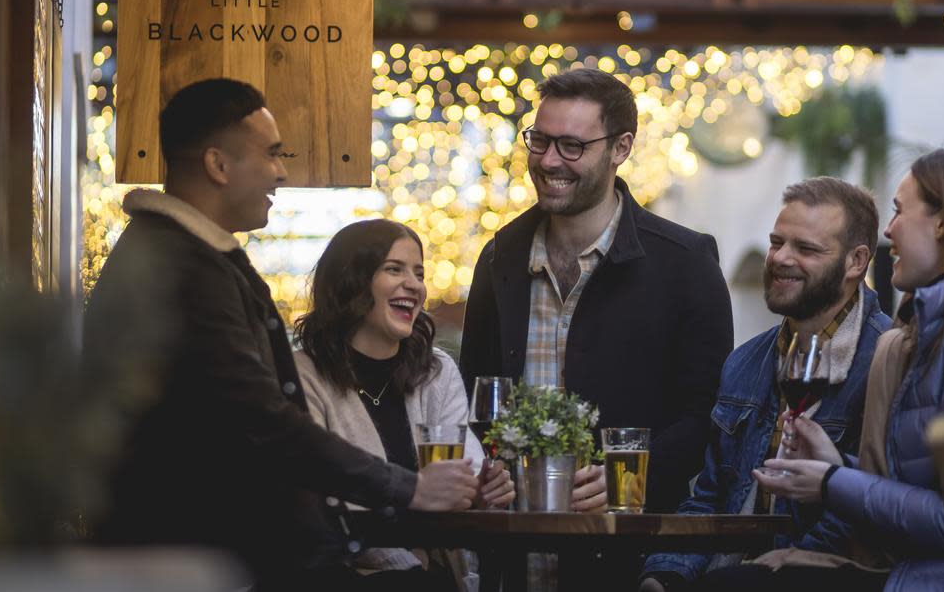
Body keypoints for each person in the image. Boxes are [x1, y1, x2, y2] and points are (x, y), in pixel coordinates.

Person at [81, 79, 476, 588]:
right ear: (218, 165)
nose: (282, 171)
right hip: (191, 562)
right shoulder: (184, 268)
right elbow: (260, 422)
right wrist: (407, 488)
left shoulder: (183, 255)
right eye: (271, 154)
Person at [706, 148, 944, 592]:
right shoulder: (938, 332)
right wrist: (836, 464)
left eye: (901, 211)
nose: (890, 228)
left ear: (943, 223)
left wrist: (833, 482)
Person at [460, 67, 733, 515]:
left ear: (620, 148)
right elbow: (475, 391)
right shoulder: (499, 257)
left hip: (628, 547)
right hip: (511, 543)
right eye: (540, 141)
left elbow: (705, 412)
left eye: (572, 146)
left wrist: (630, 475)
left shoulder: (686, 262)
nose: (549, 161)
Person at [640, 177, 893, 591]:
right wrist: (666, 573)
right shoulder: (745, 362)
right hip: (729, 571)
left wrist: (771, 570)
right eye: (778, 243)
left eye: (806, 249)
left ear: (856, 261)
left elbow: (866, 510)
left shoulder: (887, 360)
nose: (781, 258)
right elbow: (709, 499)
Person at [294, 219, 516, 590]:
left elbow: (466, 469)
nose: (414, 284)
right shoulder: (304, 373)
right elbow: (322, 496)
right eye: (394, 269)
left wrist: (482, 491)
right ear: (351, 281)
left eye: (418, 272)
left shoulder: (436, 370)